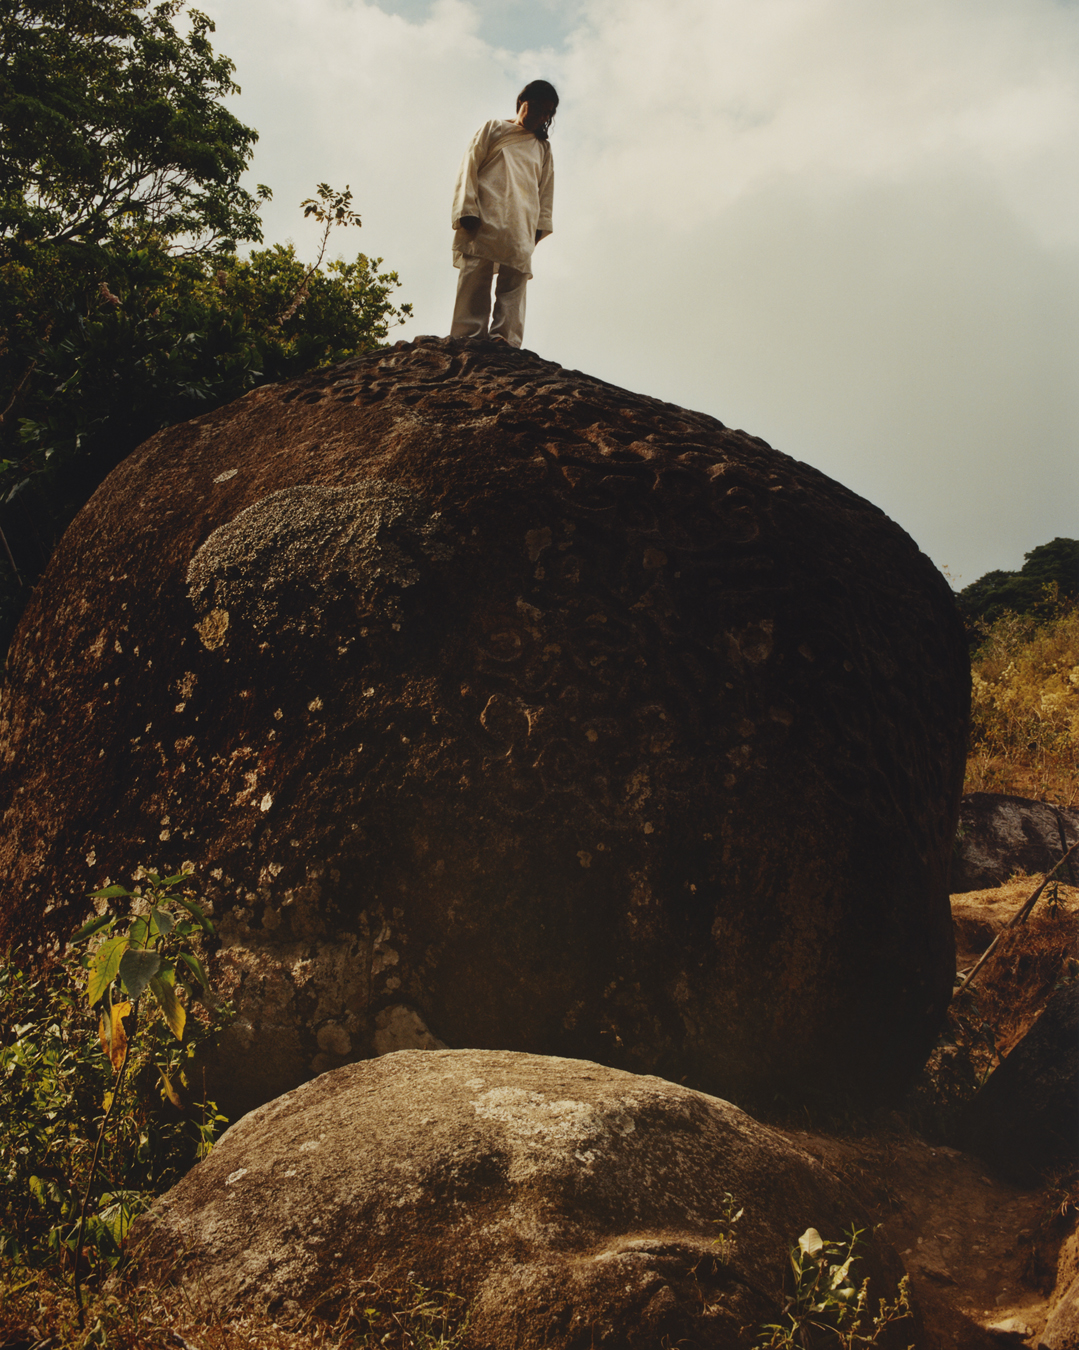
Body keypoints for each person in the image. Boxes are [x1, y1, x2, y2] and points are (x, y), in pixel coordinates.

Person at [449, 80, 557, 348]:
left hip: (522, 220)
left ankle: (505, 339)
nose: (542, 117)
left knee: (514, 281)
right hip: (487, 213)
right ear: (523, 102)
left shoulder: (542, 148)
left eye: (548, 113)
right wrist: (467, 207)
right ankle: (468, 336)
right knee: (475, 273)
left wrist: (538, 228)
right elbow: (469, 167)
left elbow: (545, 193)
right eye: (539, 109)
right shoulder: (493, 129)